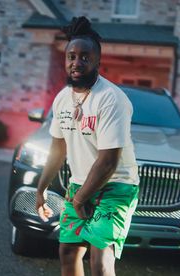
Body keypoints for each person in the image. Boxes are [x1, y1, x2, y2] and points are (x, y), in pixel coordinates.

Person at [35, 16, 140, 276]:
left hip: (117, 186)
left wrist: (81, 199)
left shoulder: (112, 99)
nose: (76, 62)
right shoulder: (62, 99)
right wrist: (41, 189)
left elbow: (108, 161)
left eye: (84, 57)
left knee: (100, 257)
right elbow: (58, 149)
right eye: (71, 56)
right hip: (79, 184)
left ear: (97, 61)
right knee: (68, 251)